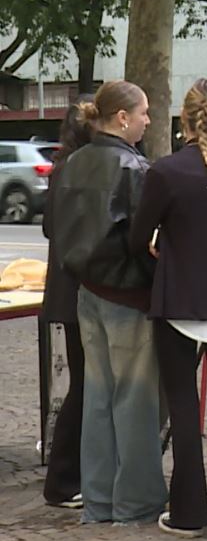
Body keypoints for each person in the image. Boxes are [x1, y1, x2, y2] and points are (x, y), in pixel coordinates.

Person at [129, 78, 207, 536]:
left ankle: (188, 511)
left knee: (185, 407)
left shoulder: (165, 172)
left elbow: (136, 237)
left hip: (179, 297)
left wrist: (159, 252)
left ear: (183, 118)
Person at [54, 80, 166, 525]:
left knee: (97, 399)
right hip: (126, 293)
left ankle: (99, 499)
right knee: (134, 400)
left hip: (88, 291)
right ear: (123, 117)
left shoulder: (72, 163)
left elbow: (57, 228)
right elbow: (146, 237)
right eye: (143, 113)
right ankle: (136, 501)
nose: (148, 120)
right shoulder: (132, 168)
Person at [40, 99, 94, 509]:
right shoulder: (80, 168)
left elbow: (47, 226)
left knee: (82, 383)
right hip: (78, 290)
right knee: (83, 385)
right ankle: (62, 478)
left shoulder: (63, 167)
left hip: (64, 290)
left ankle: (67, 475)